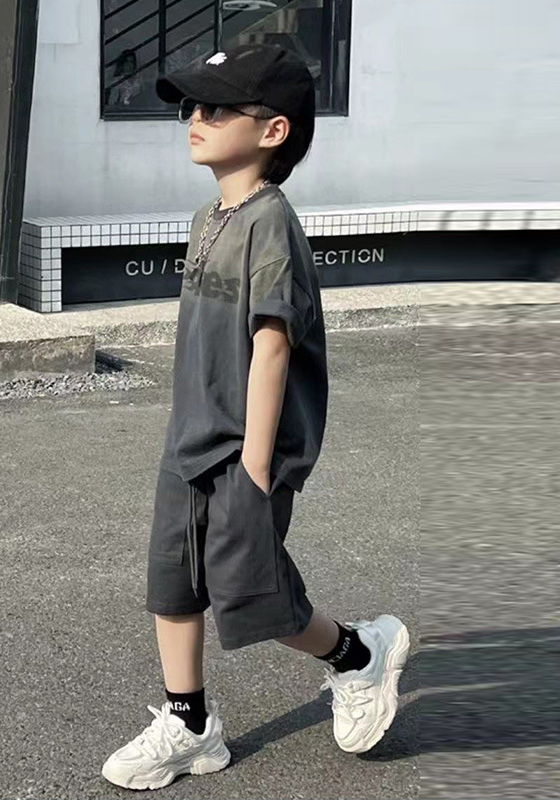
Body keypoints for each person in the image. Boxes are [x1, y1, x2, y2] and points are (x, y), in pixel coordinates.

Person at [101, 43, 410, 792]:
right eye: (191, 105)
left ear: (272, 131)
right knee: (172, 582)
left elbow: (271, 348)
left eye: (216, 107)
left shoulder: (270, 222)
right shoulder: (211, 214)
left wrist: (257, 466)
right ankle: (190, 725)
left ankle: (358, 654)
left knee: (251, 593)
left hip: (246, 445)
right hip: (192, 437)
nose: (196, 118)